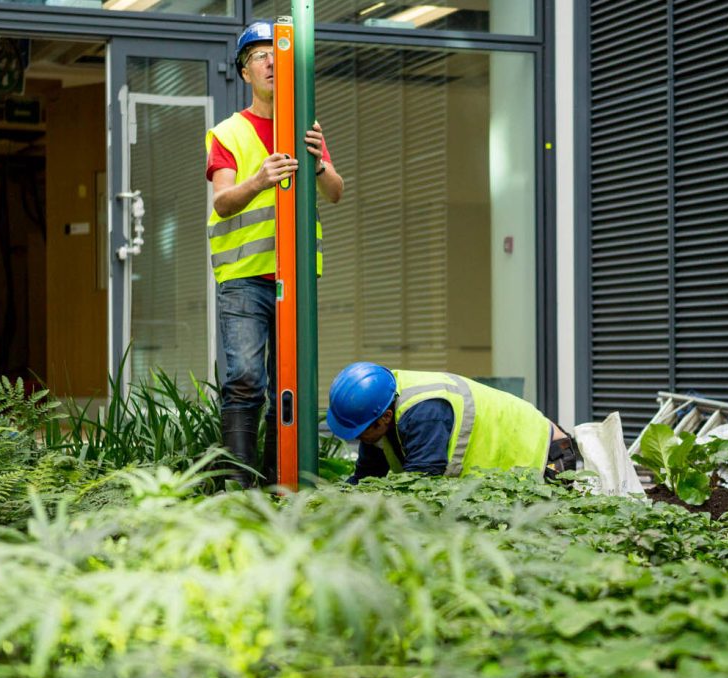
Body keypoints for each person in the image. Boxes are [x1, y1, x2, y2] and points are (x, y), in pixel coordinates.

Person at [207, 20, 344, 487]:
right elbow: (223, 203)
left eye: (275, 54)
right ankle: (239, 489)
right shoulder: (227, 132)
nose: (269, 61)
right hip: (246, 279)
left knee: (290, 384)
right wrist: (258, 180)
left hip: (297, 277)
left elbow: (336, 193)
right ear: (245, 73)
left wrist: (319, 163)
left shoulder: (306, 126)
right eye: (258, 56)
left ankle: (277, 482)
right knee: (246, 379)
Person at [325, 362, 581, 485]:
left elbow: (421, 484)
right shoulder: (379, 409)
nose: (359, 440)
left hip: (545, 457)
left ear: (385, 418)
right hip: (518, 471)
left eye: (362, 432)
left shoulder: (425, 412)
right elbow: (368, 477)